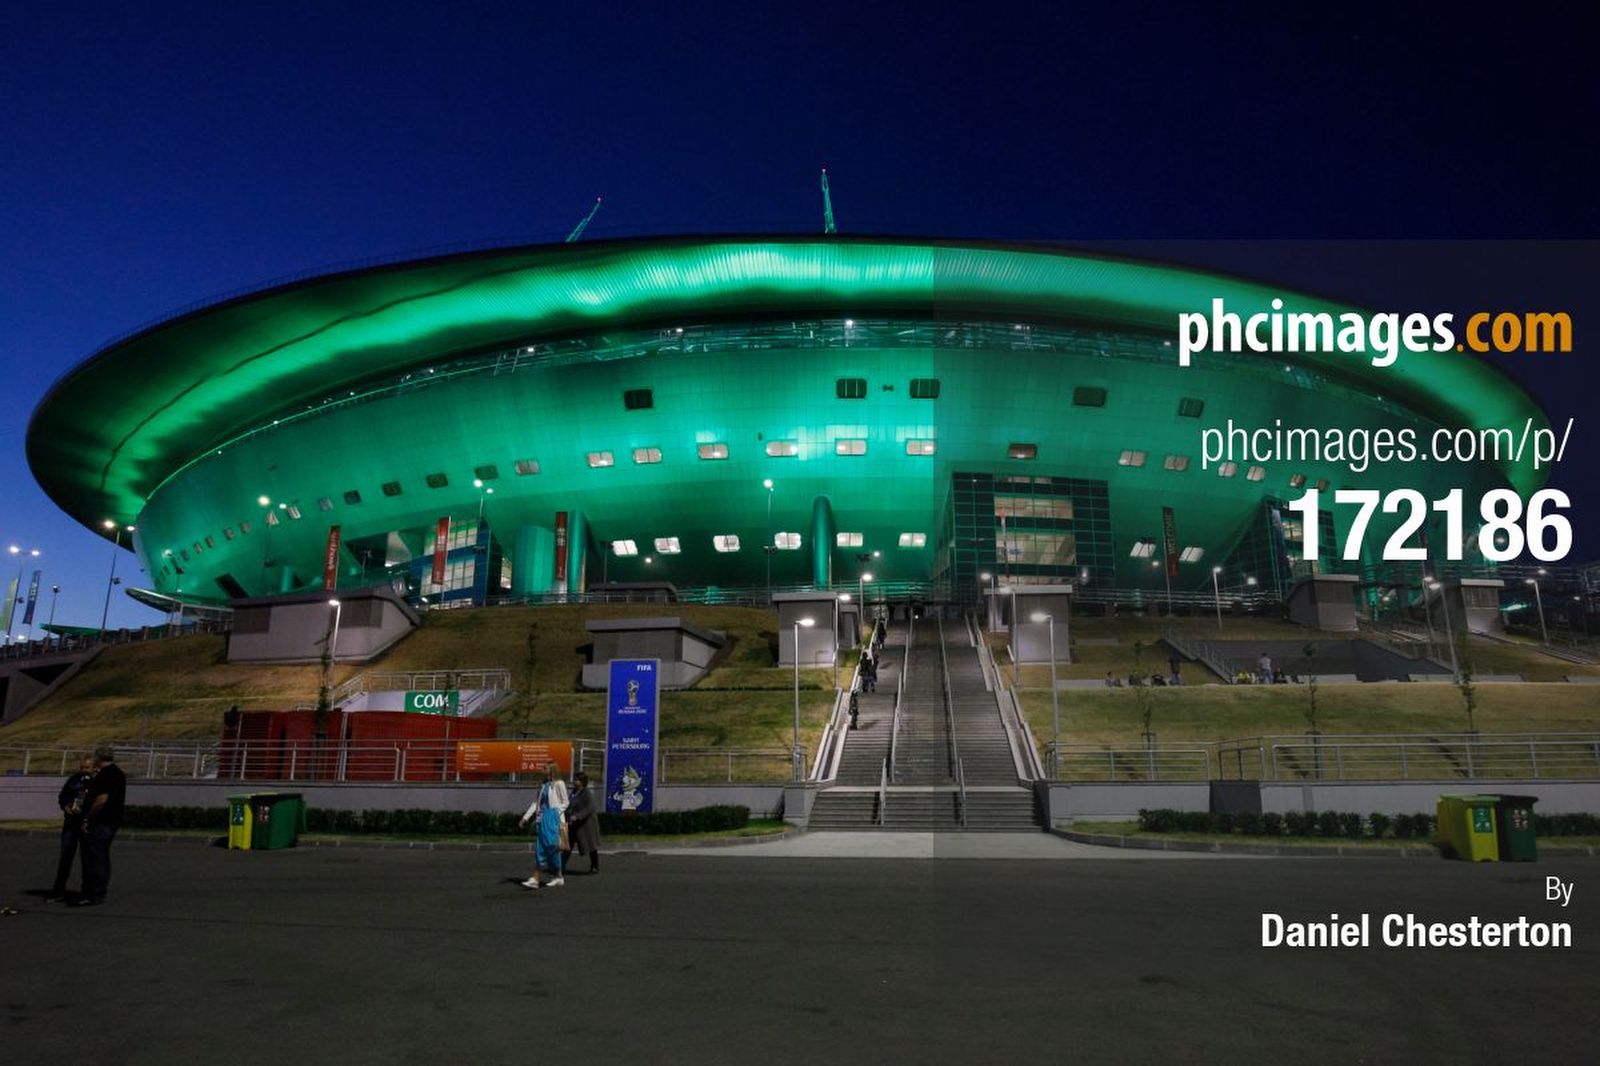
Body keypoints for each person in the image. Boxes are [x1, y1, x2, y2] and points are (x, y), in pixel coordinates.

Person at [74, 747, 125, 907]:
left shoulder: (105, 775)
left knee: (94, 858)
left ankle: (93, 893)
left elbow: (101, 800)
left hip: (101, 822)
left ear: (98, 758)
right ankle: (97, 892)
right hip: (112, 821)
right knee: (101, 857)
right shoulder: (118, 773)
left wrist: (88, 819)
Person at [46, 757, 96, 901]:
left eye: (87, 767)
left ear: (93, 768)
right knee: (65, 858)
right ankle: (58, 890)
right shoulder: (74, 779)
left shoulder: (96, 782)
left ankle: (87, 892)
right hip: (71, 824)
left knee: (87, 859)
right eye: (82, 767)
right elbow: (63, 795)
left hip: (86, 824)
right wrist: (66, 805)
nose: (83, 770)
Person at [518, 763, 568, 889]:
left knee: (550, 847)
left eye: (544, 768)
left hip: (553, 820)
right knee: (545, 848)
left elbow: (565, 802)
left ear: (551, 770)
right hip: (541, 821)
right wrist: (525, 818)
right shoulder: (543, 785)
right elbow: (536, 803)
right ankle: (558, 876)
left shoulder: (559, 784)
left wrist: (555, 814)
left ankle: (536, 877)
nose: (542, 770)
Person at [562, 770, 601, 875]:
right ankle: (560, 867)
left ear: (582, 781)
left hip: (587, 825)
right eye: (574, 779)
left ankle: (594, 866)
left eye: (576, 780)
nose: (574, 781)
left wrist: (577, 816)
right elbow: (569, 805)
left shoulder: (586, 792)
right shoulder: (574, 792)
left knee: (591, 846)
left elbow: (590, 807)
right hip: (574, 825)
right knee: (567, 846)